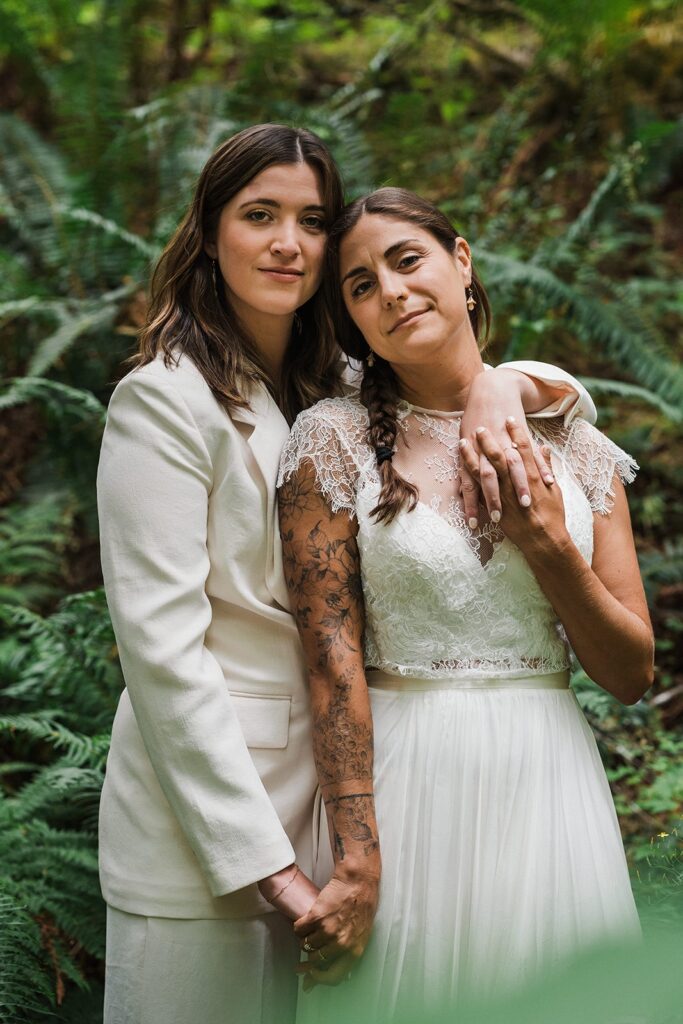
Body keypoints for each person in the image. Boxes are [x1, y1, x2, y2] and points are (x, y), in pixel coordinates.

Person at [97, 123, 595, 1024]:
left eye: (311, 219)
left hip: (344, 810)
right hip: (209, 828)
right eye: (259, 215)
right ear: (210, 233)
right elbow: (163, 657)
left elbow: (534, 394)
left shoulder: (333, 381)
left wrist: (501, 385)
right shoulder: (162, 401)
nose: (288, 242)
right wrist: (275, 875)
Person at [277, 187, 654, 1023]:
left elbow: (630, 670)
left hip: (548, 781)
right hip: (406, 782)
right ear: (350, 319)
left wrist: (550, 547)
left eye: (406, 260)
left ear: (461, 261)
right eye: (360, 286)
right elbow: (330, 661)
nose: (391, 292)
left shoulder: (575, 446)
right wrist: (357, 858)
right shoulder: (330, 443)